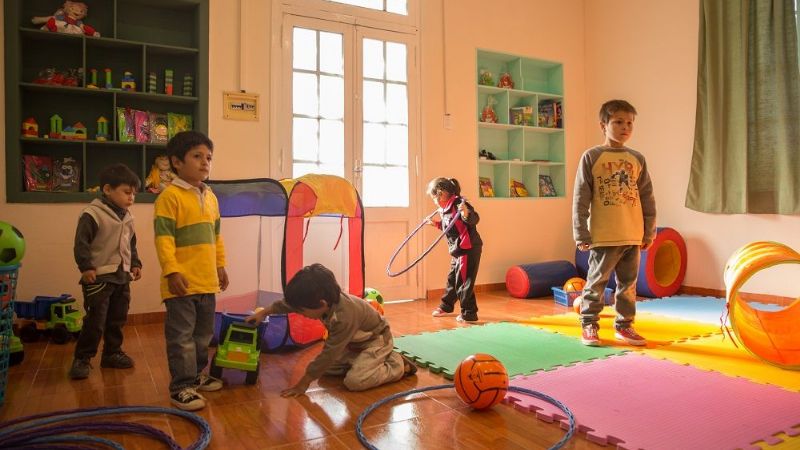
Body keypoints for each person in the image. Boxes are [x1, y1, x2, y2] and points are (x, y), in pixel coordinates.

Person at [245, 264, 416, 397]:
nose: (301, 313)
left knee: (354, 382)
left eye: (302, 311)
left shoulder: (344, 316)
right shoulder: (321, 301)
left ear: (322, 304)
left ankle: (397, 364)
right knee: (325, 370)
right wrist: (263, 313)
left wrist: (303, 383)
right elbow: (287, 305)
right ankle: (362, 362)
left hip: (376, 340)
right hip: (353, 345)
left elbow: (329, 352)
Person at [154, 131, 229, 411]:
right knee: (182, 338)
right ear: (176, 162)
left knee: (202, 336)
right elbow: (164, 239)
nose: (204, 163)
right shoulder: (169, 197)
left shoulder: (210, 198)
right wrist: (172, 272)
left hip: (206, 281)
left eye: (208, 157)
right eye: (197, 156)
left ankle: (196, 375)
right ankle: (181, 387)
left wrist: (220, 266)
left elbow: (217, 237)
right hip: (181, 284)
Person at [572, 99, 656, 347]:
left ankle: (625, 325)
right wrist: (581, 233)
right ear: (603, 124)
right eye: (618, 122)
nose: (625, 127)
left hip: (632, 233)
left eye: (629, 123)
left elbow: (647, 197)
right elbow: (580, 198)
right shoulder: (592, 156)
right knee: (596, 282)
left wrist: (648, 232)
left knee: (628, 285)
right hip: (604, 234)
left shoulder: (637, 158)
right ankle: (589, 323)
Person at [69, 164, 142, 380]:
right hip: (99, 277)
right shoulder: (92, 214)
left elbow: (131, 244)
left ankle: (112, 353)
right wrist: (86, 267)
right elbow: (81, 244)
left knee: (117, 318)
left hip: (122, 276)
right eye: (127, 192)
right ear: (108, 189)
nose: (131, 198)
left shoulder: (127, 216)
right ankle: (82, 358)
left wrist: (136, 263)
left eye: (134, 194)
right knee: (95, 321)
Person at [426, 177, 483, 323]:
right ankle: (446, 306)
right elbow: (451, 227)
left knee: (463, 282)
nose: (433, 201)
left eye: (434, 198)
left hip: (467, 249)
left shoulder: (459, 204)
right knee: (452, 279)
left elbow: (474, 218)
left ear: (441, 194)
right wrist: (436, 224)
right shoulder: (444, 209)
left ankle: (469, 313)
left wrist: (465, 213)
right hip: (457, 250)